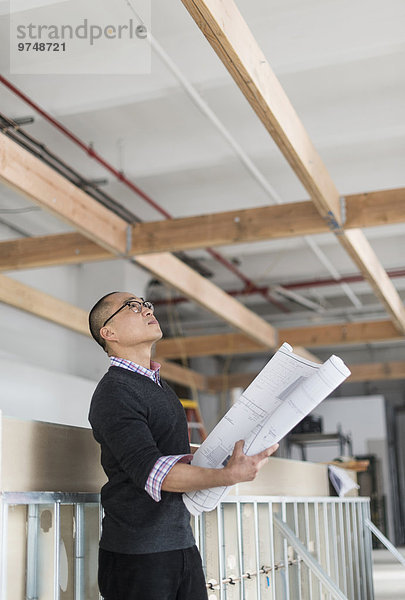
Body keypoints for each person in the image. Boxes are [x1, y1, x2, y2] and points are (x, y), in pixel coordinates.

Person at [88, 291, 279, 600]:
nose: (147, 309)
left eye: (146, 304)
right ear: (108, 333)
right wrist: (228, 475)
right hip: (138, 554)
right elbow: (153, 472)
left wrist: (212, 459)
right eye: (132, 307)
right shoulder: (115, 392)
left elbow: (169, 458)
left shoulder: (159, 388)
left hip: (179, 542)